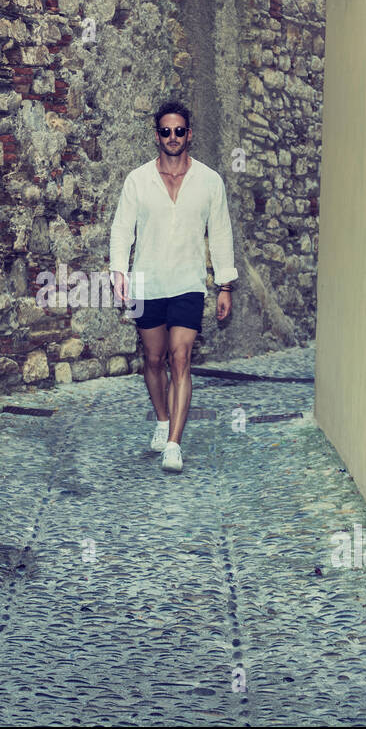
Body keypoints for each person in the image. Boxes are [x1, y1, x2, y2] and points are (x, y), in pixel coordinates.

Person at [109, 100, 238, 473]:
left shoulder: (210, 182)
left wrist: (224, 285)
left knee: (180, 358)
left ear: (189, 135)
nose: (172, 137)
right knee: (153, 359)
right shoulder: (138, 180)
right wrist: (119, 271)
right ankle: (162, 418)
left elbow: (221, 234)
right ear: (157, 136)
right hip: (147, 283)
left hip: (188, 283)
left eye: (179, 130)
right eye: (165, 131)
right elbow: (122, 228)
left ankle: (173, 444)